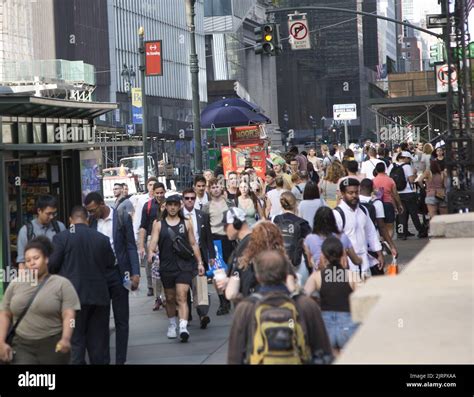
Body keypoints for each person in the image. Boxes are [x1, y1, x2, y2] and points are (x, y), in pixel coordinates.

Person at [227, 250, 332, 364]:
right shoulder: (306, 304)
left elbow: (235, 356)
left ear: (258, 277)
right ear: (286, 274)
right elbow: (323, 351)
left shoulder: (246, 308)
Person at [49, 206, 115, 365]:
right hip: (99, 298)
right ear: (87, 219)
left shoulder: (61, 238)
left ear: (70, 220)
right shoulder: (102, 238)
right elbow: (110, 263)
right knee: (99, 343)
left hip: (72, 301)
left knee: (75, 342)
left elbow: (52, 265)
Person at [0, 236, 80, 364]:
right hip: (21, 346)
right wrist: (1, 341)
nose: (32, 263)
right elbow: (4, 313)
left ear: (46, 259)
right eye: (27, 260)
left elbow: (70, 317)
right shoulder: (15, 284)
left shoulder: (62, 284)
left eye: (36, 258)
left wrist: (66, 337)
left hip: (53, 346)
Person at [85, 192, 140, 365]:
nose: (91, 214)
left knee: (121, 320)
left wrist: (135, 272)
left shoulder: (121, 217)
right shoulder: (91, 222)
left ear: (102, 204)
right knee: (101, 322)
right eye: (89, 211)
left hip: (119, 273)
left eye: (93, 210)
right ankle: (105, 360)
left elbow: (130, 245)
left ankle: (120, 361)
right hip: (100, 275)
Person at [147, 195, 205, 342]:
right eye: (170, 205)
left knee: (182, 296)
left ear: (179, 207)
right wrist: (151, 252)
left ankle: (183, 327)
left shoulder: (186, 223)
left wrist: (199, 263)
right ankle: (172, 324)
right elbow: (153, 242)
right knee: (170, 298)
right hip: (167, 266)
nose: (172, 207)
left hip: (184, 265)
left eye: (175, 205)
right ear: (165, 207)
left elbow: (193, 244)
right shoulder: (159, 224)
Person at [304, 237, 360, 355]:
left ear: (323, 257)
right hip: (348, 324)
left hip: (326, 325)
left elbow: (304, 297)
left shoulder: (317, 276)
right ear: (342, 255)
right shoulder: (351, 275)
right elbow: (361, 298)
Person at [222, 221, 297, 302]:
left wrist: (242, 298)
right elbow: (291, 288)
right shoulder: (281, 260)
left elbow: (231, 294)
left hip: (252, 307)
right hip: (279, 304)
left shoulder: (243, 262)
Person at [333, 178, 384, 278]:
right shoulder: (337, 214)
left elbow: (371, 233)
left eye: (356, 192)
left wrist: (379, 254)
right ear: (342, 194)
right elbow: (335, 240)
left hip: (365, 260)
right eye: (350, 193)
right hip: (348, 264)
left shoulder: (363, 210)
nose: (354, 196)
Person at [181, 188, 215, 329]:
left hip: (199, 254)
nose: (190, 200)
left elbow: (208, 237)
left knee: (200, 284)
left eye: (192, 198)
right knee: (185, 287)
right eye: (187, 198)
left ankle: (203, 315)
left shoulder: (202, 215)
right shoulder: (178, 216)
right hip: (182, 255)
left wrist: (211, 255)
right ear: (183, 200)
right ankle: (186, 315)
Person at [201, 177, 235, 315]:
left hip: (228, 239)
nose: (215, 189)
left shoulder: (229, 203)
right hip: (214, 241)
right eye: (213, 187)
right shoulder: (206, 207)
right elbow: (205, 227)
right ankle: (223, 302)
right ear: (209, 190)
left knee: (229, 272)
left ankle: (228, 295)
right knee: (217, 274)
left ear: (222, 188)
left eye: (217, 187)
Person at [303, 207, 361, 273]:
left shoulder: (309, 238)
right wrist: (361, 260)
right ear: (333, 220)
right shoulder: (342, 237)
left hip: (320, 277)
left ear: (315, 221)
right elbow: (356, 261)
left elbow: (310, 264)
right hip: (340, 277)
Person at [16, 195, 66, 269]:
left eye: (54, 213)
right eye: (48, 213)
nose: (52, 217)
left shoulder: (60, 227)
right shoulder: (26, 231)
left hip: (56, 275)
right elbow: (22, 261)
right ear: (39, 211)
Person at [273, 192, 312, 284]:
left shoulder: (275, 220)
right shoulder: (303, 223)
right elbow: (309, 245)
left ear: (281, 205)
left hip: (279, 263)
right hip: (298, 265)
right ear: (295, 204)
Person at [388, 152, 427, 240]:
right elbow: (411, 180)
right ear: (405, 158)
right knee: (413, 213)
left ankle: (401, 232)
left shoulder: (391, 166)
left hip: (397, 193)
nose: (409, 161)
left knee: (401, 214)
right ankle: (421, 231)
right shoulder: (407, 167)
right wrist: (414, 174)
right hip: (408, 193)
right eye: (409, 159)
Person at [138, 182, 166, 302]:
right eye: (157, 193)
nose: (159, 195)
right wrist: (141, 245)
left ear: (165, 192)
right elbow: (143, 226)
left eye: (161, 193)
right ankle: (152, 288)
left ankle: (164, 291)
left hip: (165, 236)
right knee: (151, 264)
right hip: (151, 237)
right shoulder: (148, 206)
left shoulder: (170, 204)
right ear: (153, 193)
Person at [359, 179, 398, 260]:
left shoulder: (354, 201)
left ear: (360, 188)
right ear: (373, 188)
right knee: (376, 267)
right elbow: (382, 227)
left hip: (357, 240)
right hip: (373, 240)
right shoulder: (377, 203)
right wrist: (392, 246)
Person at [373, 162, 404, 240]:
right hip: (388, 204)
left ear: (376, 170)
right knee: (390, 226)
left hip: (377, 205)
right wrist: (399, 204)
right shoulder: (390, 180)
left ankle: (382, 242)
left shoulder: (373, 181)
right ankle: (387, 243)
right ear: (385, 169)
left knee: (380, 226)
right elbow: (395, 194)